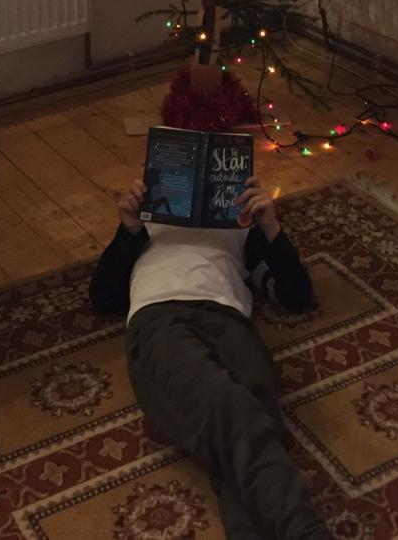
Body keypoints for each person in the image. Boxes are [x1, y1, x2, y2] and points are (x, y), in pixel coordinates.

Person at [89, 173, 334, 540]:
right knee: (231, 409)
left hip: (230, 320)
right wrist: (128, 230)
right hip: (161, 316)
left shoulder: (241, 225)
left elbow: (297, 294)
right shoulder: (147, 221)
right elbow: (103, 295)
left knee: (249, 418)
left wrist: (271, 228)